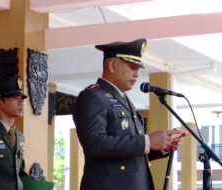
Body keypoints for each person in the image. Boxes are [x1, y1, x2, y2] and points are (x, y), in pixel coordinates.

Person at [73, 38, 185, 190]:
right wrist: (147, 141)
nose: (137, 74)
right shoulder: (93, 96)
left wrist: (161, 147)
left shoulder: (124, 101)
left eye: (138, 70)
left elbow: (128, 157)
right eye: (133, 68)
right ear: (112, 66)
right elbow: (94, 143)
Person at [0, 75, 28, 190]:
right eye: (15, 99)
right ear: (0, 104)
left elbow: (18, 173)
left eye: (21, 99)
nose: (21, 104)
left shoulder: (19, 136)